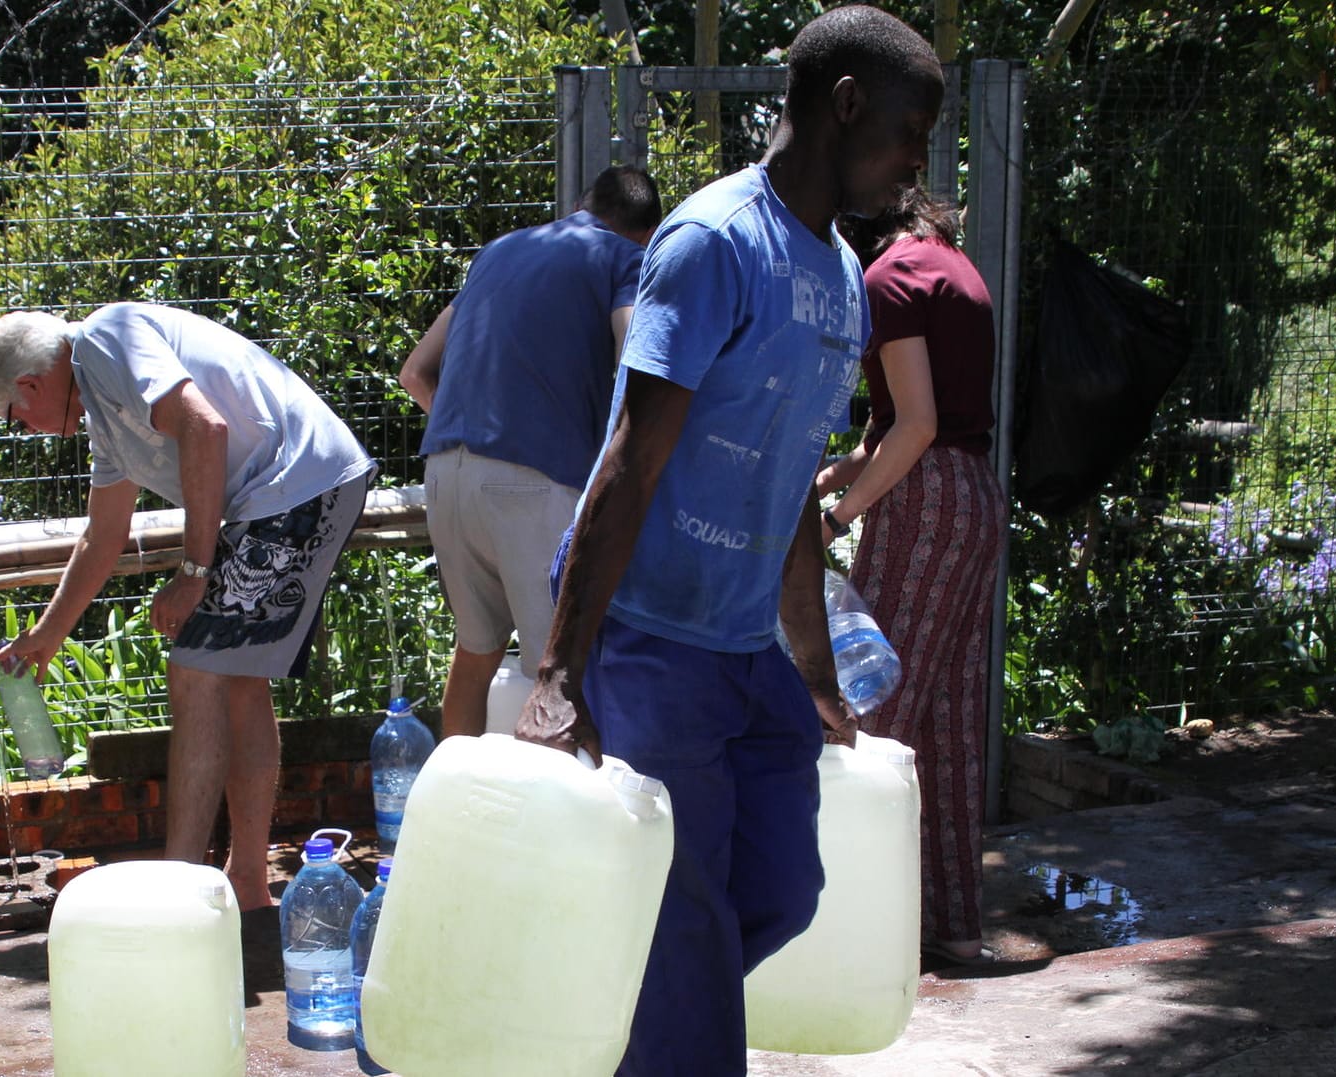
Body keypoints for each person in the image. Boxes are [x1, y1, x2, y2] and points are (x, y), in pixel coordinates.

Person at [515, 6, 944, 1073]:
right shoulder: (715, 241)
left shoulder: (841, 276)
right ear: (846, 106)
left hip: (745, 647)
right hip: (649, 637)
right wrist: (559, 664)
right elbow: (631, 457)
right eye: (909, 135)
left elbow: (791, 476)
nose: (915, 167)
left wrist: (811, 667)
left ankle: (612, 1028)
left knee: (780, 890)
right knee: (688, 921)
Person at [0, 303, 374, 910]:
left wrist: (193, 573)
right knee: (235, 681)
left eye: (14, 419)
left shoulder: (104, 340)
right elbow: (102, 537)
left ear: (30, 385)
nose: (24, 430)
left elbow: (203, 427)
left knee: (196, 670)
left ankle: (182, 893)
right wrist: (47, 635)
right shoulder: (103, 412)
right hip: (288, 490)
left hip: (298, 483)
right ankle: (247, 886)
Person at [397, 164, 662, 739]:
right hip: (534, 481)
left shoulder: (496, 253)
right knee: (562, 675)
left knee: (475, 652)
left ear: (583, 204)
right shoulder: (625, 258)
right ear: (642, 231)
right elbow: (633, 362)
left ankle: (461, 815)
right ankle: (561, 827)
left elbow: (415, 372)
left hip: (445, 472)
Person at [817, 183, 1005, 966]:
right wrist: (827, 480)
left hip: (924, 502)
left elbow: (916, 427)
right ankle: (954, 924)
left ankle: (851, 929)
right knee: (951, 723)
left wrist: (839, 516)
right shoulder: (953, 268)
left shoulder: (887, 280)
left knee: (869, 706)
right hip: (977, 496)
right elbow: (899, 425)